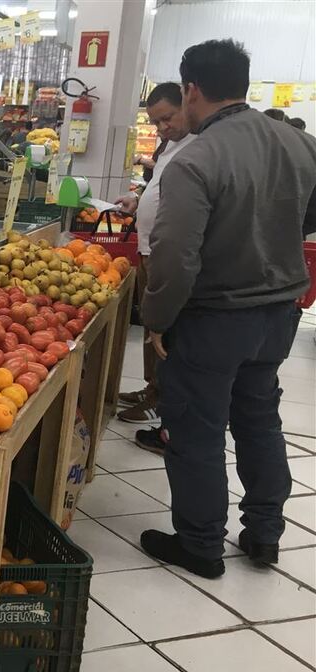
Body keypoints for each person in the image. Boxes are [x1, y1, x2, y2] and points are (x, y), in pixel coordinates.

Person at [139, 39, 316, 579]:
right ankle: (264, 534)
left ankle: (200, 545)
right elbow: (310, 217)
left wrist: (158, 320)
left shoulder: (196, 158)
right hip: (279, 312)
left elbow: (174, 255)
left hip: (215, 318)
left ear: (191, 89)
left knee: (196, 430)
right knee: (260, 420)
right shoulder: (297, 142)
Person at [112, 82, 196, 451]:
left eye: (167, 118)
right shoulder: (172, 145)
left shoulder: (200, 146)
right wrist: (137, 201)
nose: (161, 127)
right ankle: (151, 388)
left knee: (162, 330)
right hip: (148, 250)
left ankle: (159, 403)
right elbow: (161, 190)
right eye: (155, 121)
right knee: (150, 327)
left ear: (188, 104)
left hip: (166, 254)